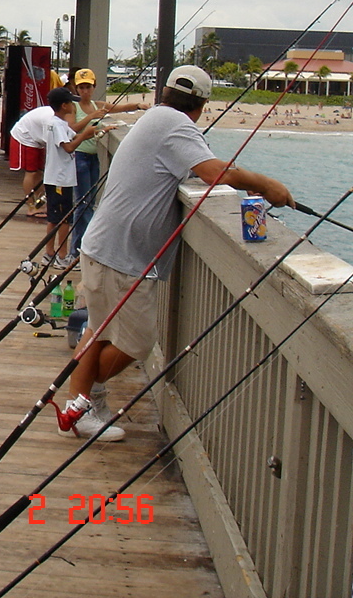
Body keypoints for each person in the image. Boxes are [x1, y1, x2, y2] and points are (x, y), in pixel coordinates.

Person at [64, 65, 293, 442]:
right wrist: (268, 185)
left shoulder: (156, 117)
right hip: (122, 256)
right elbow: (217, 172)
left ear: (166, 92)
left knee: (99, 331)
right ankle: (85, 398)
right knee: (135, 341)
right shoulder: (176, 126)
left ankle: (83, 404)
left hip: (106, 245)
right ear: (202, 105)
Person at [67, 67, 149, 258]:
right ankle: (76, 250)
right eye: (82, 87)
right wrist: (90, 118)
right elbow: (72, 129)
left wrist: (138, 106)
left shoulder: (98, 105)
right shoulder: (73, 107)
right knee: (83, 203)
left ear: (94, 87)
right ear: (76, 89)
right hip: (79, 157)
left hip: (93, 157)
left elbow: (118, 108)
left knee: (91, 202)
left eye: (88, 87)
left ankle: (83, 247)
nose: (85, 91)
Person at [41, 87, 104, 268]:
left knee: (54, 217)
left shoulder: (56, 123)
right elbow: (68, 147)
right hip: (60, 180)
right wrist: (85, 135)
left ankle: (49, 253)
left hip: (57, 178)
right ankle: (61, 256)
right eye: (70, 102)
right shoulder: (57, 124)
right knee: (63, 219)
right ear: (64, 105)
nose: (73, 105)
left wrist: (100, 130)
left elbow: (73, 137)